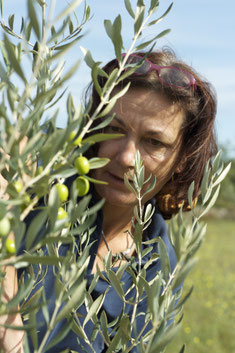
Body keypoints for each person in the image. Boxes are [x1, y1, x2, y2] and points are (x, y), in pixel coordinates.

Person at [0, 48, 217, 352]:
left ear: (182, 158)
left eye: (154, 142)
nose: (127, 157)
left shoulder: (161, 270)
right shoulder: (45, 189)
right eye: (115, 130)